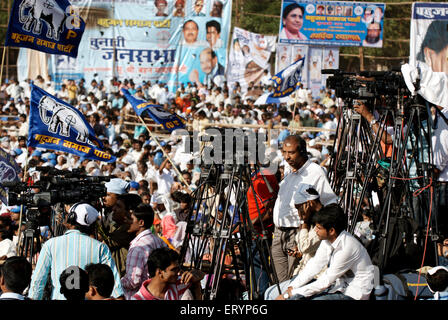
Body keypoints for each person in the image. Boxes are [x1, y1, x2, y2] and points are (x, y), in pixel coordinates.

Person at [265, 204, 375, 300]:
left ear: (331, 231)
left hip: (354, 293)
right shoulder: (328, 240)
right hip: (338, 286)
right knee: (295, 284)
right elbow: (314, 265)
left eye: (318, 228)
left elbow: (325, 281)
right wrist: (292, 287)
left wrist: (288, 295)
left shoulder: (347, 247)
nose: (315, 231)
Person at [271, 134, 337, 282]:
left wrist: (309, 230)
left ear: (302, 151)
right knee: (280, 283)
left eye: (291, 153)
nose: (287, 157)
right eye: (285, 152)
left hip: (297, 233)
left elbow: (329, 205)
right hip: (279, 233)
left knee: (292, 281)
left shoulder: (316, 172)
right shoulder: (289, 171)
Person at [28, 203, 124, 300]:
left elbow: (38, 281)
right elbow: (114, 282)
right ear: (92, 226)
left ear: (70, 220)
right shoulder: (100, 247)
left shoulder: (50, 244)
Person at [121, 203, 167, 300]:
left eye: (131, 219)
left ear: (141, 223)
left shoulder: (137, 247)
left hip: (141, 295)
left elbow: (132, 282)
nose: (127, 222)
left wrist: (118, 281)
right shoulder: (159, 241)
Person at [132, 247, 205, 300]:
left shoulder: (178, 284)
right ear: (160, 272)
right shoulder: (138, 298)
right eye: (174, 269)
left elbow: (201, 275)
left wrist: (195, 278)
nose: (179, 272)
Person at [288, 184, 323, 277]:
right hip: (304, 272)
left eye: (299, 208)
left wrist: (304, 220)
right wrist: (298, 250)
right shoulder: (312, 219)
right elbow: (303, 246)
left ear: (310, 203)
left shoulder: (323, 221)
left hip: (316, 276)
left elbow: (305, 246)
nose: (298, 212)